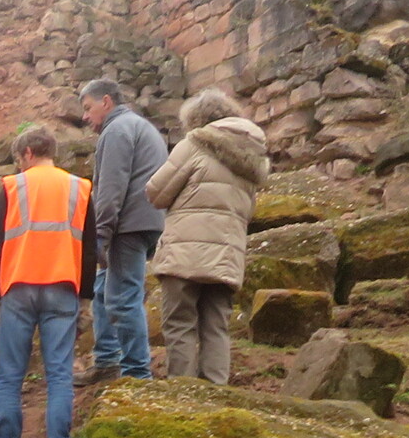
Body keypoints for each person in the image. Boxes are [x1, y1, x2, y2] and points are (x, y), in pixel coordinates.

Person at [0, 124, 96, 438]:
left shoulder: (12, 186)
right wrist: (86, 299)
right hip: (63, 289)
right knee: (60, 375)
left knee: (10, 376)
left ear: (28, 153)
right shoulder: (80, 187)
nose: (18, 166)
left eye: (19, 159)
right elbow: (89, 249)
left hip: (17, 288)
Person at [146, 89, 268, 385]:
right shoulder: (254, 156)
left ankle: (183, 392)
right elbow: (248, 211)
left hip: (184, 252)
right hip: (226, 254)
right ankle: (216, 391)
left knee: (180, 323)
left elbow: (156, 193)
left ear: (195, 119)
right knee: (216, 327)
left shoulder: (194, 144)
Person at [77, 77, 166, 386]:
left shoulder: (116, 130)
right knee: (104, 290)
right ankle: (107, 360)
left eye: (88, 107)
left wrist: (100, 235)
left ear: (106, 102)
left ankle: (137, 374)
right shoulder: (141, 126)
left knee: (123, 299)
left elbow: (110, 188)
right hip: (146, 221)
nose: (85, 116)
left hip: (128, 225)